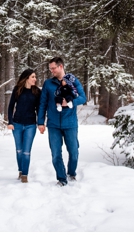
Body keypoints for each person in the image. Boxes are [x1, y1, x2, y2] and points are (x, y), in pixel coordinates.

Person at [38, 56, 86, 186]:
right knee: (55, 154)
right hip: (53, 124)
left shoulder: (73, 80)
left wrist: (70, 102)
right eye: (50, 68)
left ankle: (71, 173)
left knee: (74, 152)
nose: (51, 71)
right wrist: (40, 122)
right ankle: (61, 178)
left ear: (61, 66)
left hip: (70, 123)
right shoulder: (48, 84)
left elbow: (83, 98)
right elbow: (43, 103)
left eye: (53, 68)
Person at [7, 68, 41, 183]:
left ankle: (25, 176)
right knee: (19, 150)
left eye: (35, 77)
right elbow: (11, 106)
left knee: (26, 151)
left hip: (30, 125)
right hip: (16, 124)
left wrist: (41, 122)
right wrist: (10, 122)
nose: (35, 79)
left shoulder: (37, 91)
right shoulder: (17, 90)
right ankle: (21, 171)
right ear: (26, 78)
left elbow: (39, 109)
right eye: (33, 77)